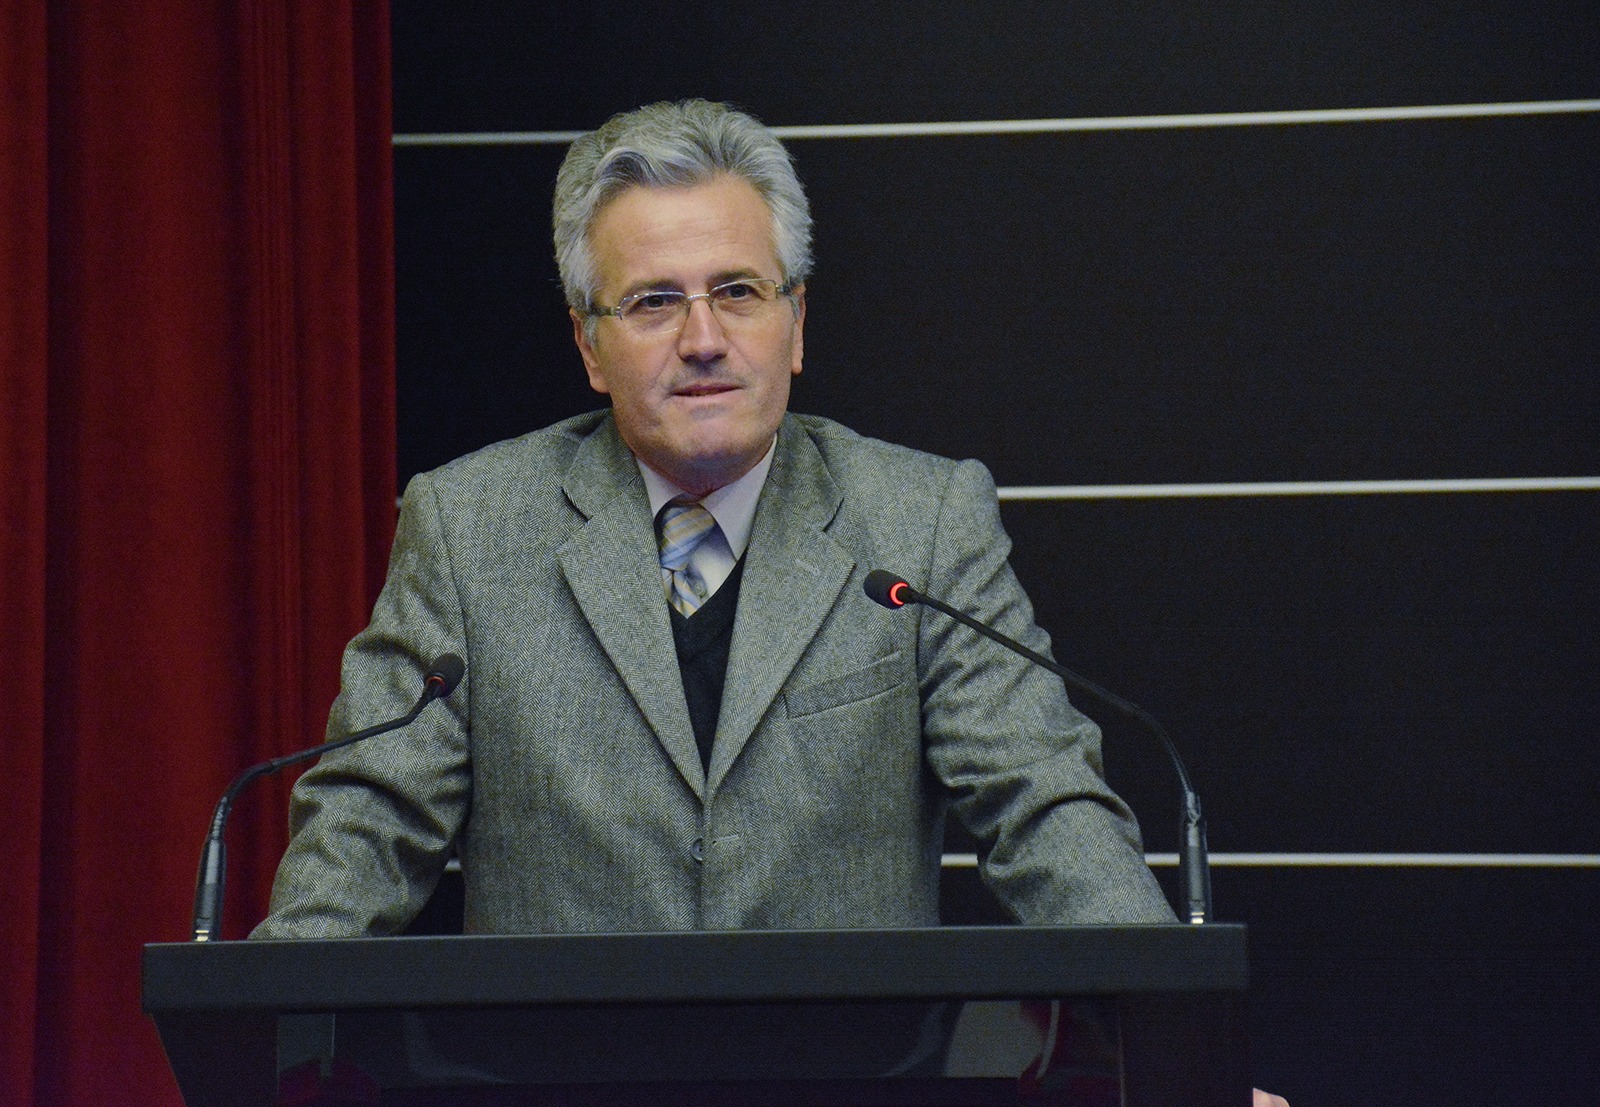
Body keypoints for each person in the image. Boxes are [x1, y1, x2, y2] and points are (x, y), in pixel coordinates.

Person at [252, 99, 1176, 936]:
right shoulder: (469, 528)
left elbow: (1043, 802)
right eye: (654, 302)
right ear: (589, 345)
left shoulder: (921, 522)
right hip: (564, 1057)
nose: (703, 340)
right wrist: (269, 1028)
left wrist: (1167, 1029)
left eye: (737, 291)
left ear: (796, 321)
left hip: (849, 1055)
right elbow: (365, 828)